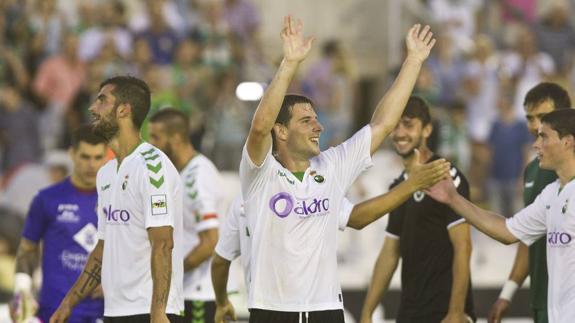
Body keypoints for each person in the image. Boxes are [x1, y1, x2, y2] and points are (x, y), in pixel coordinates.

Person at [238, 16, 437, 322]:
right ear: (281, 131)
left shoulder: (331, 166)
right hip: (272, 311)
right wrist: (290, 63)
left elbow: (382, 124)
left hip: (326, 310)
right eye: (306, 121)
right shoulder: (260, 174)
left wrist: (413, 61)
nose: (318, 126)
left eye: (316, 118)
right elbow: (259, 127)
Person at [213, 148, 450, 323]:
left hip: (274, 309)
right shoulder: (306, 190)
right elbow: (358, 218)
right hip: (303, 307)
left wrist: (222, 301)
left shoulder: (245, 202)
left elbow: (220, 261)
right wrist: (410, 186)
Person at [50, 76, 185, 323]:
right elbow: (103, 249)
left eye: (102, 100)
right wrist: (67, 304)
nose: (92, 108)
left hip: (149, 311)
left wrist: (158, 312)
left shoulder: (153, 168)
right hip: (115, 310)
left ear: (124, 110)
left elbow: (163, 244)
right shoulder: (106, 173)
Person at [426, 108, 575, 323]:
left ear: (568, 141)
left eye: (544, 137)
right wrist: (453, 199)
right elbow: (507, 231)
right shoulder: (552, 194)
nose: (536, 144)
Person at [360, 97, 475, 323]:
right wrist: (367, 312)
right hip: (410, 312)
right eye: (396, 126)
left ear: (427, 129)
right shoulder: (398, 187)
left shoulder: (446, 176)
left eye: (409, 125)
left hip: (444, 312)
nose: (400, 133)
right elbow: (390, 253)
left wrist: (455, 312)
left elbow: (463, 246)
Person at [488, 82, 571, 323]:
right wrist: (507, 293)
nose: (535, 125)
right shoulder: (534, 169)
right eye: (529, 118)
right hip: (541, 297)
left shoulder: (563, 172)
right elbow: (526, 233)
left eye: (542, 117)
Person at [10, 125, 108, 323]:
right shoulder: (47, 199)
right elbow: (28, 248)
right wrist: (21, 288)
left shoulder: (116, 200)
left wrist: (117, 282)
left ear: (106, 157)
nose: (91, 164)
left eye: (98, 157)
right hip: (53, 311)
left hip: (100, 312)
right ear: (72, 154)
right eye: (85, 157)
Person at [148, 108, 224, 323]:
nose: (151, 144)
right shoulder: (177, 173)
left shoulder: (197, 177)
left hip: (200, 294)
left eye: (156, 137)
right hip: (184, 293)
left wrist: (169, 274)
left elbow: (210, 242)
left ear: (177, 138)